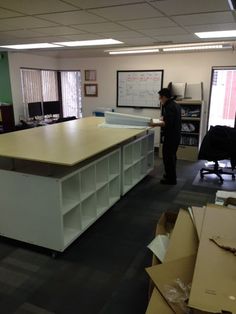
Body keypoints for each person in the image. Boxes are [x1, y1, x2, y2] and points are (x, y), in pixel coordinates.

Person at [150, 88, 181, 185]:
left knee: (168, 158)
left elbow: (168, 124)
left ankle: (171, 179)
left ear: (164, 97)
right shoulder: (175, 104)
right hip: (175, 136)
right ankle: (170, 175)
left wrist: (155, 124)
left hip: (171, 137)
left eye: (160, 97)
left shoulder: (169, 106)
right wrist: (163, 118)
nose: (160, 99)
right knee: (172, 157)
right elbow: (170, 119)